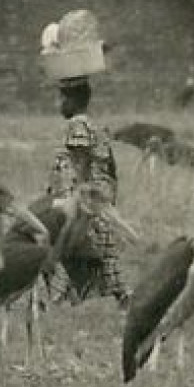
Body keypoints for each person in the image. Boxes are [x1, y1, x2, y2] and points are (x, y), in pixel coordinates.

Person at [44, 76, 130, 308]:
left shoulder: (78, 125)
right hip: (97, 202)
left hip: (85, 203)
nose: (58, 104)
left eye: (61, 98)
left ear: (72, 100)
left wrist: (76, 201)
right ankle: (120, 297)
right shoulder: (94, 125)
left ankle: (57, 298)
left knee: (56, 248)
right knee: (104, 257)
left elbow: (80, 164)